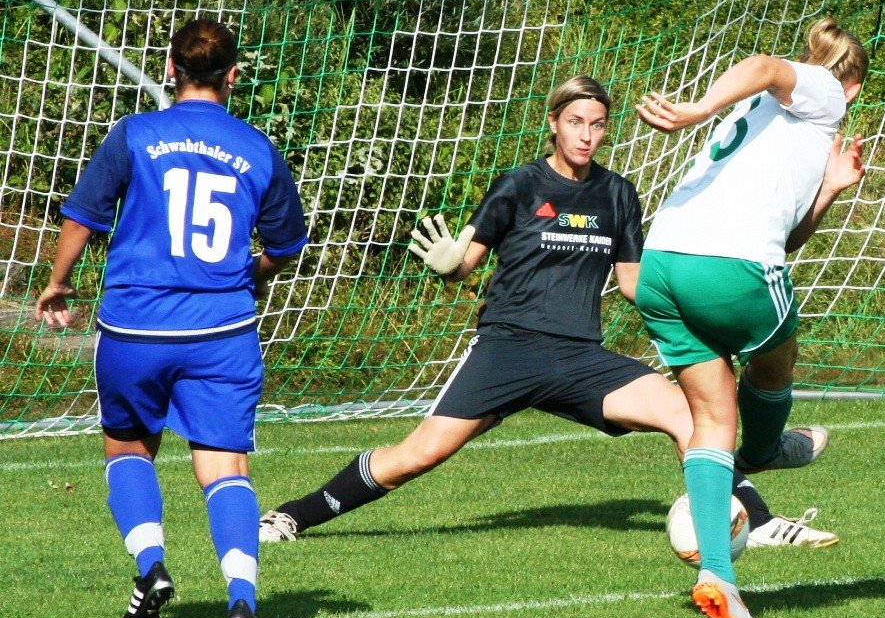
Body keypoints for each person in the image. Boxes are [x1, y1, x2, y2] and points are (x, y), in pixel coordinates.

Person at [258, 76, 792, 551]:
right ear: (554, 123)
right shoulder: (519, 185)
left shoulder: (617, 194)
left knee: (688, 414)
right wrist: (447, 265)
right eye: (576, 122)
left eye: (599, 125)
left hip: (580, 357)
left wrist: (702, 308)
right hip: (507, 349)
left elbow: (633, 284)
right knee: (417, 456)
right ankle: (292, 515)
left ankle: (758, 522)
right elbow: (464, 264)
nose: (587, 134)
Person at [35, 19, 309, 618]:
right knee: (223, 466)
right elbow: (286, 245)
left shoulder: (135, 134)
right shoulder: (258, 147)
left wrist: (57, 282)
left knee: (128, 450)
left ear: (169, 69)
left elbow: (83, 216)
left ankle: (151, 565)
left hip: (135, 327)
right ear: (234, 74)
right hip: (224, 330)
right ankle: (241, 601)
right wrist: (253, 273)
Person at [633, 17, 870, 618]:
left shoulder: (780, 130)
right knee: (780, 353)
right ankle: (766, 450)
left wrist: (831, 189)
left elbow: (789, 236)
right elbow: (766, 64)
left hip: (663, 266)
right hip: (728, 264)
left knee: (712, 421)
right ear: (853, 87)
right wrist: (696, 108)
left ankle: (720, 579)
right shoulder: (820, 92)